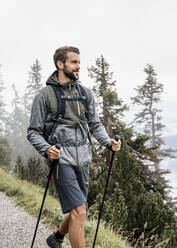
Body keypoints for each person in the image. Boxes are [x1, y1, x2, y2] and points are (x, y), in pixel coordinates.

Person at [27, 46, 121, 248]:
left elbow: (95, 123)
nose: (79, 66)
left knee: (77, 208)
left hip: (84, 158)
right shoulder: (44, 96)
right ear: (60, 64)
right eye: (74, 62)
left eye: (79, 62)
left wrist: (108, 142)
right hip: (61, 160)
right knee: (79, 211)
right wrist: (46, 148)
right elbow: (33, 131)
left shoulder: (85, 94)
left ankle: (57, 237)